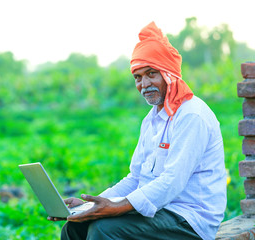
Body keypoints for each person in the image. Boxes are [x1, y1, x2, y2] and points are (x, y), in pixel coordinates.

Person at [48, 22, 227, 240]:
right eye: (138, 77)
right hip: (160, 212)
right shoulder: (151, 119)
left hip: (189, 219)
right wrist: (89, 206)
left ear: (169, 74)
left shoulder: (191, 115)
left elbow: (172, 182)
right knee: (74, 228)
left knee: (103, 230)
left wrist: (116, 207)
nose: (144, 83)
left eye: (152, 73)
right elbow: (136, 178)